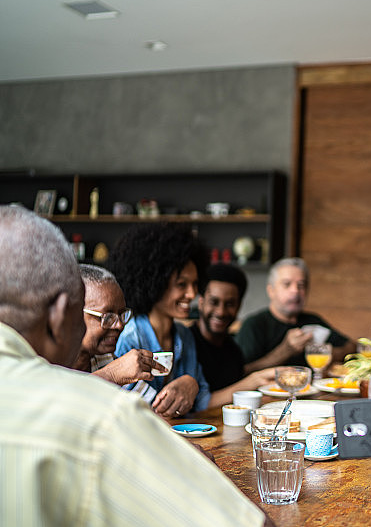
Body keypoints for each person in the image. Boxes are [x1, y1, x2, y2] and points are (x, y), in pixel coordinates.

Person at [0, 206, 268, 527]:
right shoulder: (107, 408)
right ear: (61, 314)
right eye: (104, 318)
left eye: (121, 315)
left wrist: (190, 387)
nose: (193, 296)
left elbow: (149, 406)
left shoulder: (164, 340)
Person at [109, 222, 211, 418]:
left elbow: (203, 403)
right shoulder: (128, 338)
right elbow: (130, 412)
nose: (192, 294)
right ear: (153, 283)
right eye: (181, 284)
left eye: (195, 284)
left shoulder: (184, 336)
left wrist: (193, 384)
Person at [236, 257, 355, 371]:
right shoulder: (253, 325)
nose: (295, 291)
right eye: (287, 284)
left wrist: (329, 353)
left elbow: (351, 346)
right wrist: (285, 351)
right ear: (271, 291)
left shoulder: (313, 320)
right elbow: (242, 371)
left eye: (301, 285)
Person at [191, 264, 277, 408]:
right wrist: (252, 381)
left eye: (230, 304)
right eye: (214, 302)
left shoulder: (233, 349)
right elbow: (197, 404)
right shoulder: (186, 343)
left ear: (239, 306)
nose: (221, 312)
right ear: (201, 302)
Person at [72, 264, 169, 384]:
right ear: (73, 314)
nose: (120, 325)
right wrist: (110, 375)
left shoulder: (104, 359)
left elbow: (149, 402)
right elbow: (58, 399)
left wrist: (189, 383)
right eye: (107, 317)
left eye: (122, 315)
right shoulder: (47, 363)